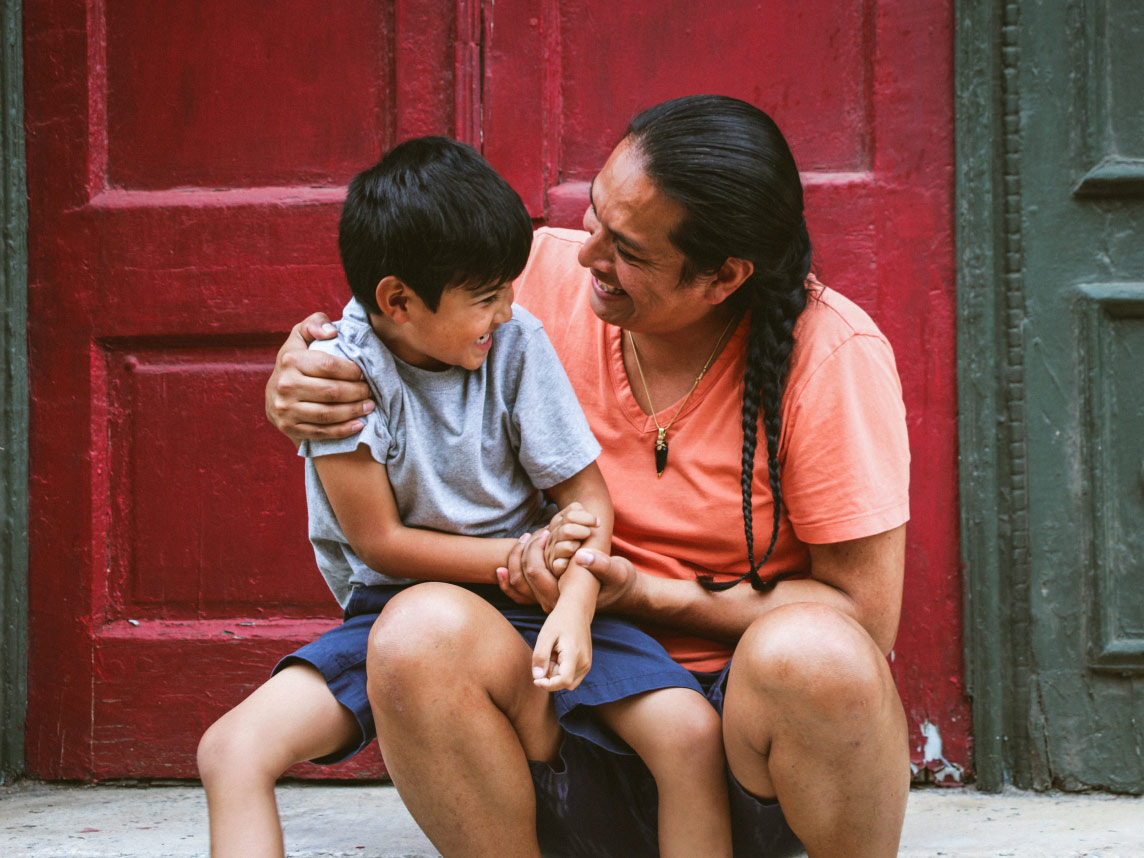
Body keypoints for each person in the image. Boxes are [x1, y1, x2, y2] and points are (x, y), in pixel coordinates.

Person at [266, 96, 912, 858]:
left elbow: (862, 620)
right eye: (596, 216)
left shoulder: (830, 357)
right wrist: (298, 379)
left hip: (745, 752)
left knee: (820, 654)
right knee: (414, 632)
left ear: (722, 277)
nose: (585, 255)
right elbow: (386, 321)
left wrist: (645, 593)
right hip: (559, 712)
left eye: (628, 250)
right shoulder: (527, 283)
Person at [199, 136, 735, 858]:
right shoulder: (339, 378)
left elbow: (587, 501)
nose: (508, 310)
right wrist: (517, 556)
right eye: (487, 296)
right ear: (398, 300)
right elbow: (380, 543)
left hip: (537, 596)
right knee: (230, 750)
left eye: (510, 287)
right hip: (396, 616)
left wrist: (574, 607)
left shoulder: (515, 345)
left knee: (691, 733)